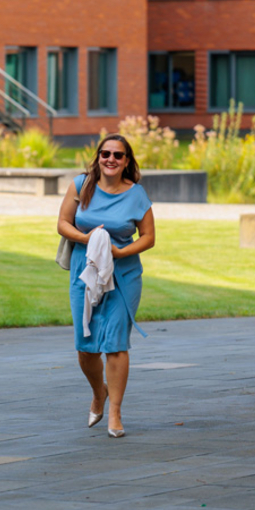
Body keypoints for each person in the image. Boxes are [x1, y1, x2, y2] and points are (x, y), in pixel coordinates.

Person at [57, 133, 155, 438]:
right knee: (86, 346)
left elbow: (148, 237)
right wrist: (89, 240)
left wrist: (120, 252)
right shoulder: (81, 185)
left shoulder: (136, 194)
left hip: (123, 276)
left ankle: (115, 412)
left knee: (115, 344)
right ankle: (99, 393)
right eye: (105, 153)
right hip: (84, 272)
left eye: (118, 155)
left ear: (127, 162)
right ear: (98, 157)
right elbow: (63, 223)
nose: (110, 159)